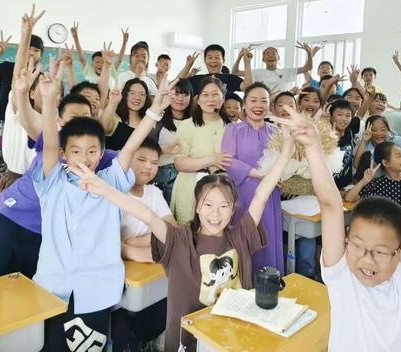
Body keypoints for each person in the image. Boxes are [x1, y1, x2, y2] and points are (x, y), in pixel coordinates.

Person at [69, 125, 295, 352]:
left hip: (231, 337)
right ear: (197, 207)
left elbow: (261, 195)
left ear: (233, 209)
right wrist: (103, 188)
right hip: (188, 343)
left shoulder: (241, 236)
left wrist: (286, 151)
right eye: (208, 204)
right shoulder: (180, 241)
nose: (215, 214)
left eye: (223, 206)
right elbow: (146, 214)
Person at [273, 105, 401, 352]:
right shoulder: (341, 276)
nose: (366, 260)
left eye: (380, 251)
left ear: (399, 252)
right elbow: (331, 205)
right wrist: (313, 146)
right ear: (346, 241)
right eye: (357, 246)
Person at [32, 69, 174, 351]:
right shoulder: (52, 182)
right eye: (76, 151)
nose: (84, 157)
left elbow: (132, 146)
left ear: (101, 153)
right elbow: (49, 143)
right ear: (64, 154)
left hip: (96, 291)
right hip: (53, 289)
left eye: (92, 151)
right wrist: (48, 101)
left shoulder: (110, 181)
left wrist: (154, 112)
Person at [0, 94, 110, 282]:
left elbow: (131, 157)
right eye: (74, 118)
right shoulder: (52, 140)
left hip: (40, 236)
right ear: (59, 120)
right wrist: (24, 93)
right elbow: (29, 122)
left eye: (86, 117)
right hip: (5, 220)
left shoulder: (97, 154)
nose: (81, 123)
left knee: (27, 296)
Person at [112, 137, 175, 352]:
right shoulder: (114, 193)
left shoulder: (154, 194)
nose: (148, 167)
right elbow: (103, 242)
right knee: (120, 327)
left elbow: (171, 232)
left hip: (150, 272)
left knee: (162, 308)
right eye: (142, 159)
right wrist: (134, 251)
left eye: (155, 163)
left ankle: (143, 340)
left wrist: (134, 243)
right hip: (117, 276)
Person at [0, 8, 45, 193]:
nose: (31, 52)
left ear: (41, 54)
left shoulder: (42, 77)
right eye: (28, 47)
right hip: (3, 121)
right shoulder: (9, 67)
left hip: (28, 124)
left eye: (36, 49)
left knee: (22, 162)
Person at [222, 82, 283, 274]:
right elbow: (227, 161)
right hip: (243, 195)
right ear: (245, 105)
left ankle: (270, 281)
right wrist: (259, 174)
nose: (258, 105)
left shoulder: (276, 131)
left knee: (269, 239)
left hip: (270, 195)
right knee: (245, 238)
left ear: (269, 104)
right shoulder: (233, 129)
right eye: (253, 100)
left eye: (263, 101)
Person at [171, 77, 230, 224]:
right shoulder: (187, 126)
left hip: (223, 190)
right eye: (205, 94)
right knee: (190, 235)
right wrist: (212, 160)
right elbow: (179, 163)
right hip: (190, 188)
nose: (210, 99)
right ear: (198, 99)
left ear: (223, 98)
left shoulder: (232, 127)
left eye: (215, 94)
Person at [155, 79, 193, 204]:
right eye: (176, 93)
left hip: (189, 174)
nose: (180, 98)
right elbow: (144, 147)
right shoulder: (157, 120)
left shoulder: (195, 122)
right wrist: (164, 149)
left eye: (185, 94)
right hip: (165, 174)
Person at [232, 43, 318, 93]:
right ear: (263, 59)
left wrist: (309, 54)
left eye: (273, 53)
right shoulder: (256, 72)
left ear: (278, 57)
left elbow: (307, 67)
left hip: (282, 109)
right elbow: (235, 72)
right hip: (265, 111)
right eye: (267, 54)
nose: (270, 56)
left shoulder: (287, 71)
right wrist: (240, 57)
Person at [100, 78, 159, 151]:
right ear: (124, 95)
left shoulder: (149, 121)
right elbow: (102, 128)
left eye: (142, 94)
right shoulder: (115, 118)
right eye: (132, 93)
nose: (137, 97)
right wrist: (113, 102)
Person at [70, 22, 128, 88]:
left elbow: (119, 60)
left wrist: (125, 42)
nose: (100, 64)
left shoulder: (110, 70)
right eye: (97, 62)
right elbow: (82, 58)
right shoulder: (89, 70)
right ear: (92, 64)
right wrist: (75, 38)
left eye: (103, 62)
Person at [187, 44, 252, 95]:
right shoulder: (197, 79)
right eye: (210, 58)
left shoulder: (230, 78)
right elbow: (177, 83)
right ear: (205, 61)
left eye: (217, 58)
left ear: (223, 61)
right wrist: (188, 66)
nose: (213, 61)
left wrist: (247, 63)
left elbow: (248, 88)